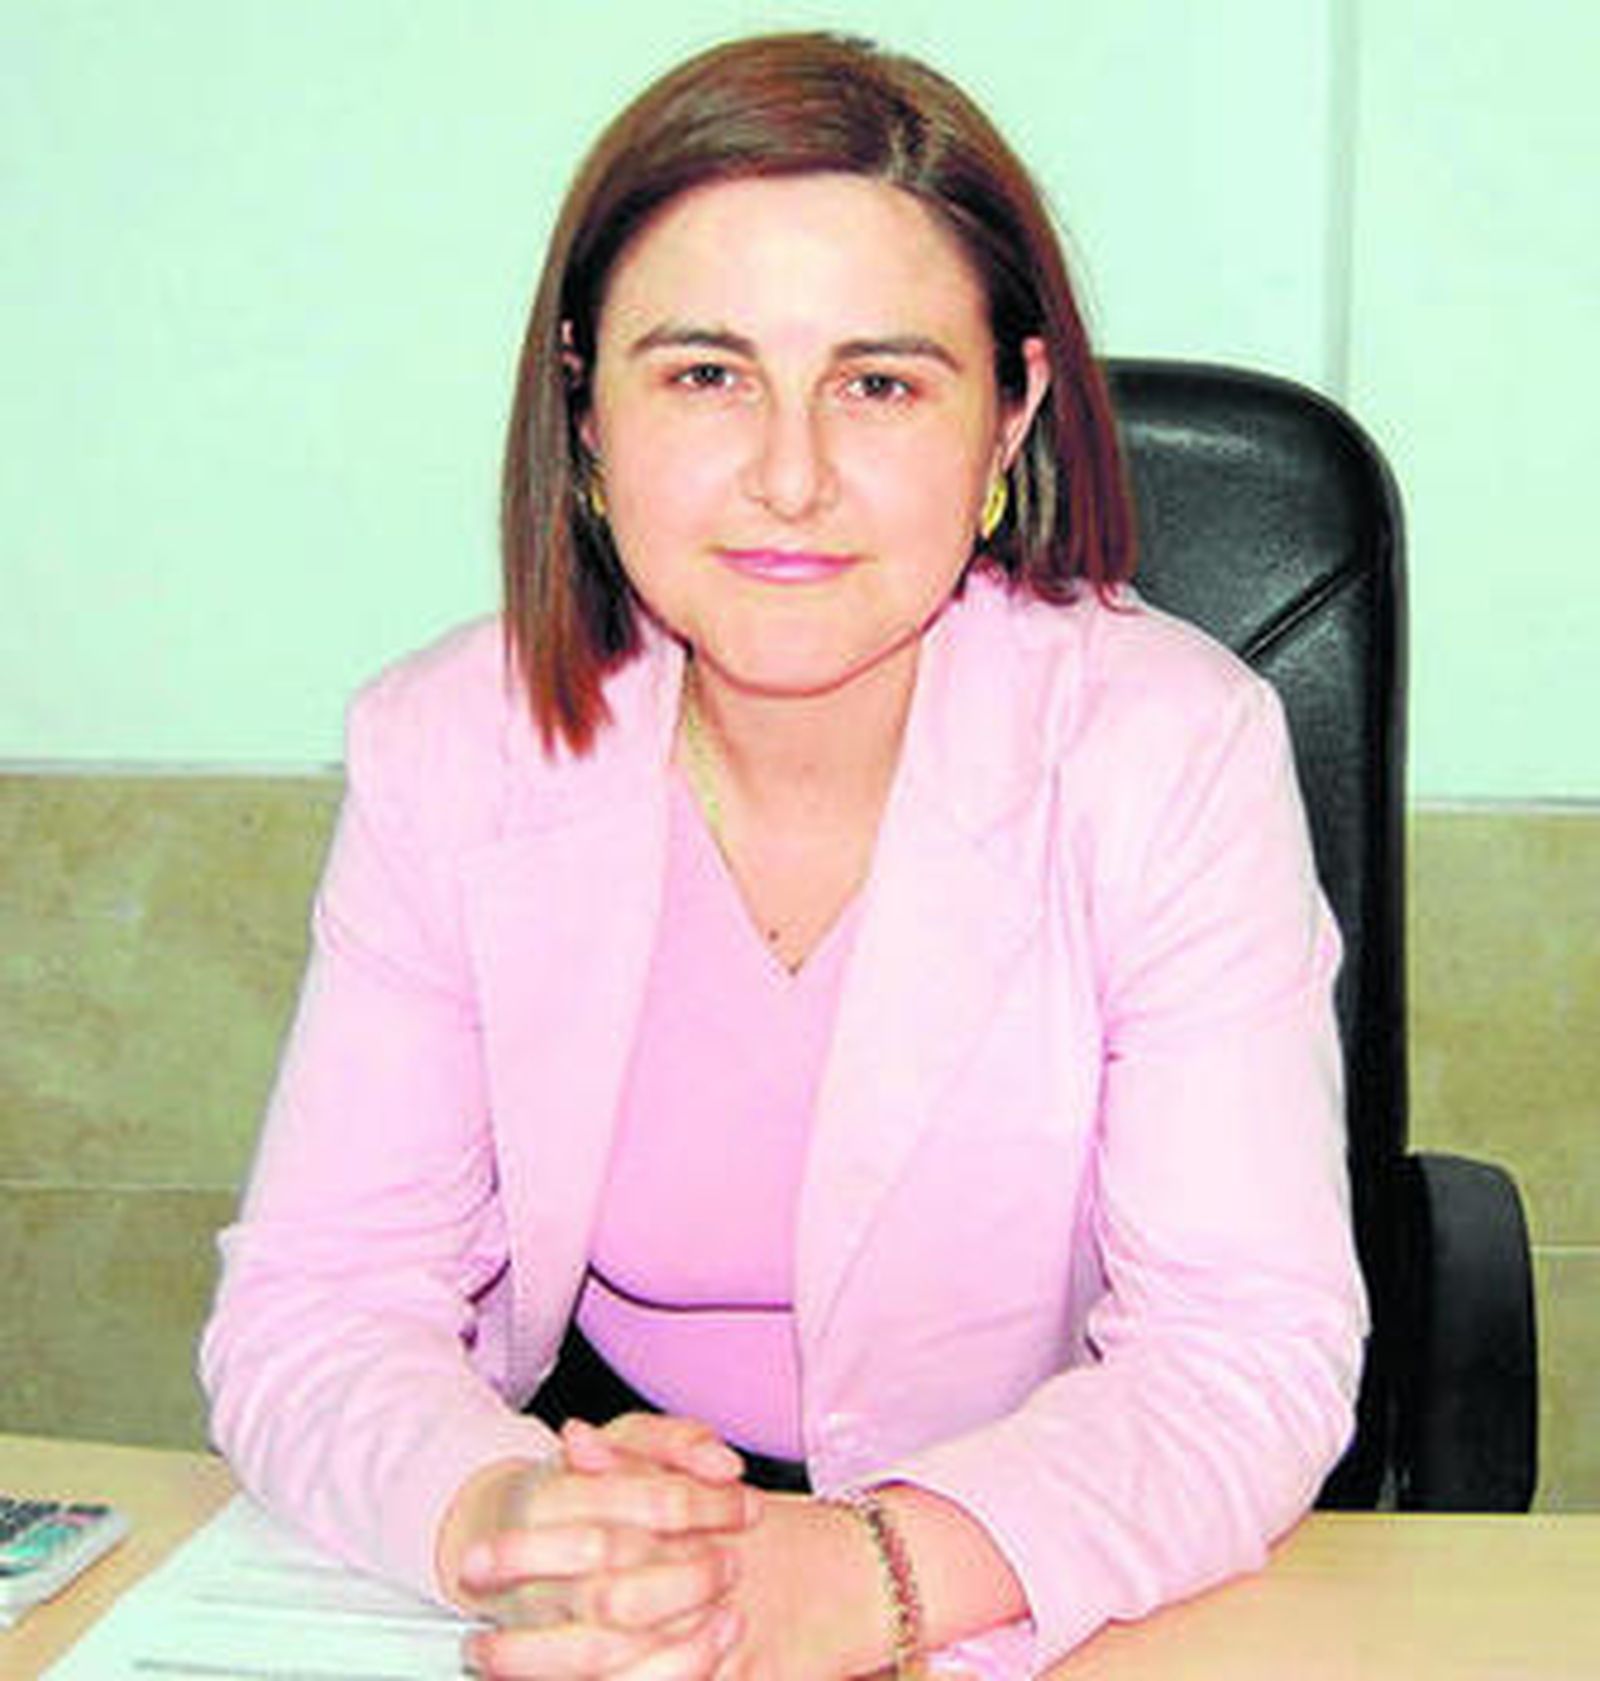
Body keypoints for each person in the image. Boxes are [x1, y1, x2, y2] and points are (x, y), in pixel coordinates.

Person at [200, 30, 1366, 1680]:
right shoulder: (450, 748)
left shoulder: (1168, 751)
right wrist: (515, 1519)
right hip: (613, 1516)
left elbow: (1241, 1349)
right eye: (705, 374)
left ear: (1009, 417)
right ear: (585, 410)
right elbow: (321, 1298)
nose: (792, 476)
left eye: (881, 384)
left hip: (1035, 1553)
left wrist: (861, 1574)